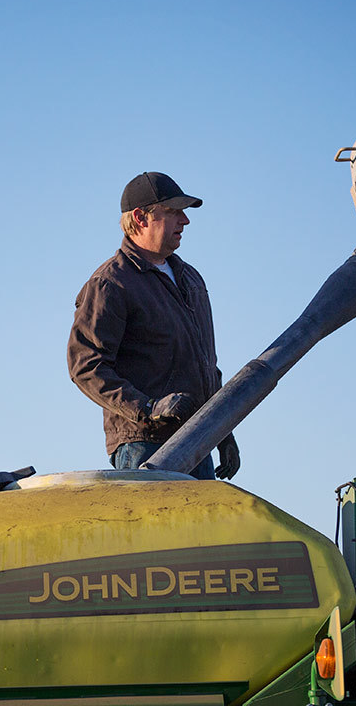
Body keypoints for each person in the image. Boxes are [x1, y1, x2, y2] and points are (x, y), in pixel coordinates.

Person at [67, 171, 240, 480]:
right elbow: (85, 366)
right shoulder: (111, 283)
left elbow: (206, 365)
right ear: (140, 217)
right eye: (173, 211)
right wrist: (148, 408)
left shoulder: (192, 280)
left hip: (199, 441)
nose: (185, 220)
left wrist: (223, 431)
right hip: (144, 446)